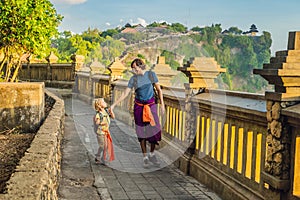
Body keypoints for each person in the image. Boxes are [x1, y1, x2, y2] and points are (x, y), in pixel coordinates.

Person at [110, 58, 165, 168]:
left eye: (135, 68)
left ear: (140, 66)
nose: (133, 70)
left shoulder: (151, 75)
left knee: (154, 131)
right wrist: (113, 105)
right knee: (141, 132)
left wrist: (162, 105)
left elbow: (159, 90)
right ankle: (145, 156)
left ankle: (152, 154)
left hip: (150, 106)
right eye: (132, 69)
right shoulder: (133, 79)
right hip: (139, 107)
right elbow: (125, 93)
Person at [93, 98, 115, 165]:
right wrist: (101, 122)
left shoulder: (106, 111)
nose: (105, 102)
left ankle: (103, 158)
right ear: (99, 105)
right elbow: (97, 122)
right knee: (102, 146)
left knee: (106, 146)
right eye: (103, 102)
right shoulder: (99, 114)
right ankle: (98, 155)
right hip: (100, 132)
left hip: (106, 132)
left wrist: (111, 112)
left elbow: (113, 117)